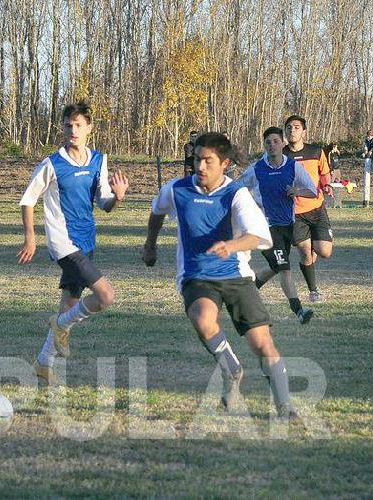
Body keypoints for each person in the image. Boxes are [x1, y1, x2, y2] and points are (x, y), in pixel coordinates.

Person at [141, 132, 299, 418]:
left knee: (261, 343)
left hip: (236, 274)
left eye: (207, 161)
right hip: (196, 275)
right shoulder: (177, 190)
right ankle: (232, 370)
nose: (200, 167)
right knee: (203, 320)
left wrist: (232, 245)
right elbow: (156, 211)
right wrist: (149, 245)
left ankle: (285, 405)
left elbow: (259, 236)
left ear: (224, 164)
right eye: (197, 160)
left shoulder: (236, 194)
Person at [17, 101, 129, 386]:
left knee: (70, 303)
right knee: (105, 296)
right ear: (62, 128)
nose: (73, 130)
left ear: (89, 128)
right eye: (68, 125)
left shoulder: (98, 161)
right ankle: (61, 326)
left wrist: (117, 196)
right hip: (63, 242)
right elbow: (28, 199)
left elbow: (103, 203)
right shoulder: (52, 164)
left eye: (79, 125)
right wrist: (31, 236)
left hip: (86, 239)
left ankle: (44, 362)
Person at [238, 127, 319, 324]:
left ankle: (246, 291)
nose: (272, 145)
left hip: (289, 225)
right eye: (268, 142)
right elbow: (238, 187)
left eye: (275, 141)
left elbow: (312, 191)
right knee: (284, 268)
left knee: (276, 266)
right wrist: (250, 204)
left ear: (283, 143)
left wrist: (296, 190)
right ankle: (299, 311)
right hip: (265, 228)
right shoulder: (257, 169)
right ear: (264, 145)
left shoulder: (293, 167)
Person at [283, 115, 334, 303]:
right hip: (295, 212)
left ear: (304, 131)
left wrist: (327, 186)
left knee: (324, 252)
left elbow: (324, 174)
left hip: (317, 208)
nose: (292, 130)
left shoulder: (316, 151)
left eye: (296, 127)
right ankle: (314, 291)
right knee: (305, 252)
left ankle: (314, 241)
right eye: (288, 127)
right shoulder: (281, 156)